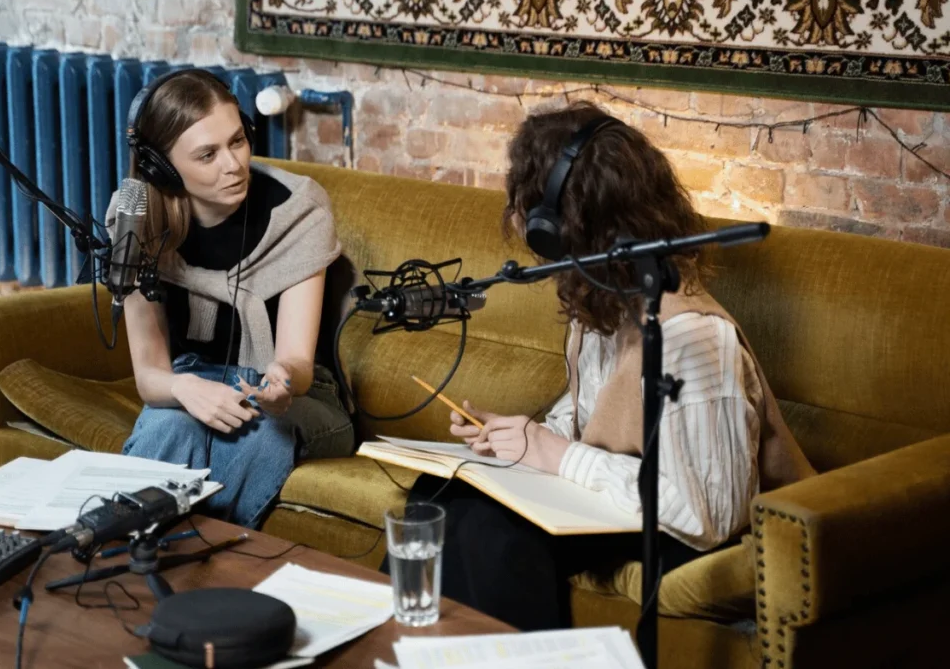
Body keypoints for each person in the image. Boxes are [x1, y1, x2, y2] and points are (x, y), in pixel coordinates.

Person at [398, 102, 817, 631]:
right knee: (439, 496)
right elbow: (585, 425)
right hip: (619, 507)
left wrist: (555, 456)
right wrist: (516, 438)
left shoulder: (693, 336)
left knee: (489, 530)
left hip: (686, 536)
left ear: (559, 225)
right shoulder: (600, 301)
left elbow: (711, 513)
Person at [107, 69, 355, 529]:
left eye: (237, 141)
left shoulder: (297, 211)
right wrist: (185, 388)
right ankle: (134, 554)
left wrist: (282, 380)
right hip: (192, 378)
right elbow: (150, 375)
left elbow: (296, 361)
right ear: (162, 166)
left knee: (259, 431)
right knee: (169, 426)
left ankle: (221, 565)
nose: (233, 164)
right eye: (207, 154)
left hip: (301, 398)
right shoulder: (134, 220)